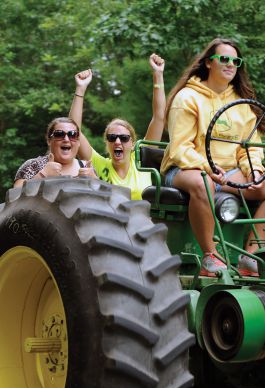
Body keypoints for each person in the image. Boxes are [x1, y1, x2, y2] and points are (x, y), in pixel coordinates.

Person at [160, 37, 265, 277]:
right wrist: (208, 167)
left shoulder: (241, 103)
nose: (230, 64)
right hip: (184, 169)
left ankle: (250, 256)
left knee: (264, 185)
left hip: (228, 171)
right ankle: (210, 256)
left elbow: (248, 148)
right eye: (224, 59)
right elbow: (179, 149)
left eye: (235, 61)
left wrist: (255, 171)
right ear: (209, 63)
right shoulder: (187, 98)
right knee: (203, 183)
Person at [69, 53, 166, 200]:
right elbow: (72, 131)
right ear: (107, 142)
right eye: (112, 137)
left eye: (124, 138)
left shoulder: (142, 161)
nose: (118, 142)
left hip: (142, 220)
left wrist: (157, 75)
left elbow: (159, 117)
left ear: (133, 143)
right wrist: (80, 89)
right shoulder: (98, 164)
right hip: (109, 221)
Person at [14, 117, 96, 187]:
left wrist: (95, 181)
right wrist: (43, 174)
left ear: (78, 142)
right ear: (49, 140)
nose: (66, 139)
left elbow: (105, 200)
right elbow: (14, 197)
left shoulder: (87, 167)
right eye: (59, 134)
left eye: (72, 135)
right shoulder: (33, 165)